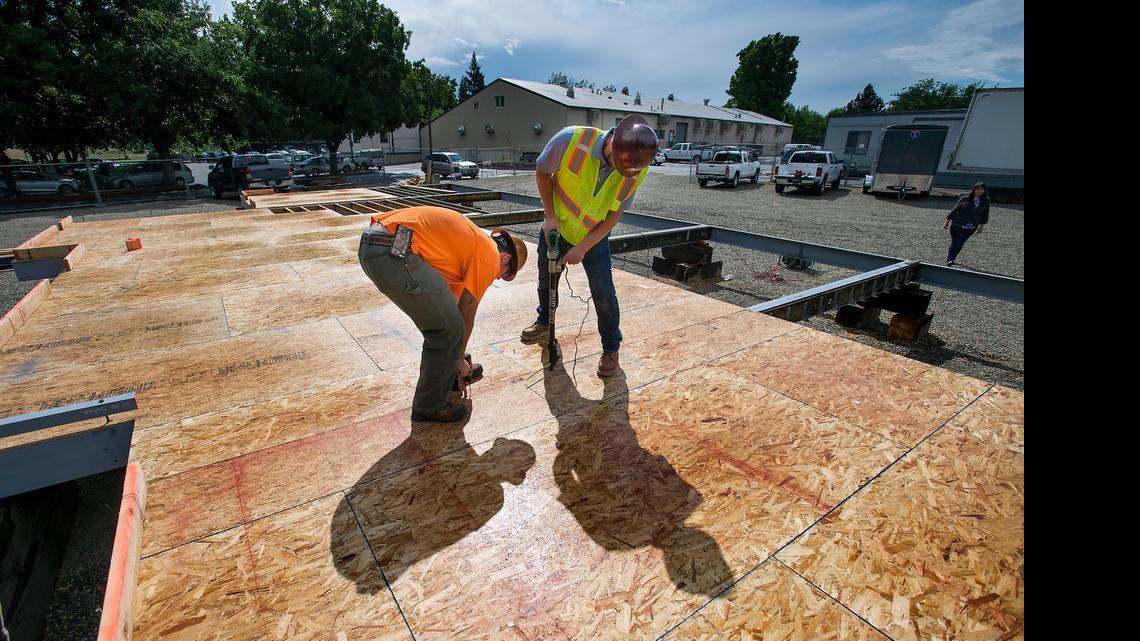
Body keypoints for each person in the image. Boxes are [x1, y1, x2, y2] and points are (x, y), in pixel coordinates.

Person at [520, 114, 659, 377]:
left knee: (604, 294)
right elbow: (542, 171)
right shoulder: (571, 140)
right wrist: (550, 216)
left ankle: (611, 348)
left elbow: (615, 212)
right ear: (613, 145)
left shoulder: (636, 167)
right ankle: (544, 323)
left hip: (594, 236)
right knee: (546, 282)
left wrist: (584, 246)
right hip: (557, 227)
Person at [359, 205, 527, 422]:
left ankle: (447, 378)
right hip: (392, 251)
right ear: (505, 259)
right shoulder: (489, 255)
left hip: (380, 244)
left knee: (447, 325)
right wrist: (457, 358)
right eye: (502, 275)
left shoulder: (469, 247)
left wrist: (456, 359)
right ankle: (429, 406)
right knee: (446, 330)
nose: (495, 278)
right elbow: (466, 313)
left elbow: (451, 309)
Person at [944, 181, 990, 266]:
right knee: (956, 242)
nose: (980, 191)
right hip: (957, 225)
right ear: (974, 189)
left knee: (961, 243)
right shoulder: (965, 198)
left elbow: (985, 214)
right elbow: (955, 210)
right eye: (978, 189)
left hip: (971, 226)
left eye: (982, 189)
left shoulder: (985, 201)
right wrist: (947, 221)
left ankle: (952, 258)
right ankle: (949, 259)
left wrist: (981, 226)